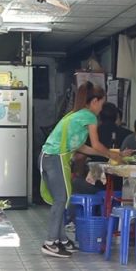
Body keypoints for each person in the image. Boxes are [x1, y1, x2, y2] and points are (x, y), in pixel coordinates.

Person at [40, 82, 120, 258]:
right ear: (94, 102)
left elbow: (82, 146)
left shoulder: (75, 114)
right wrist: (112, 155)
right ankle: (50, 241)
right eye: (101, 103)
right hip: (56, 158)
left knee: (60, 199)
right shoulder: (89, 117)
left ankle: (60, 239)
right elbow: (97, 144)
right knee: (61, 199)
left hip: (47, 156)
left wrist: (106, 155)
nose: (101, 108)